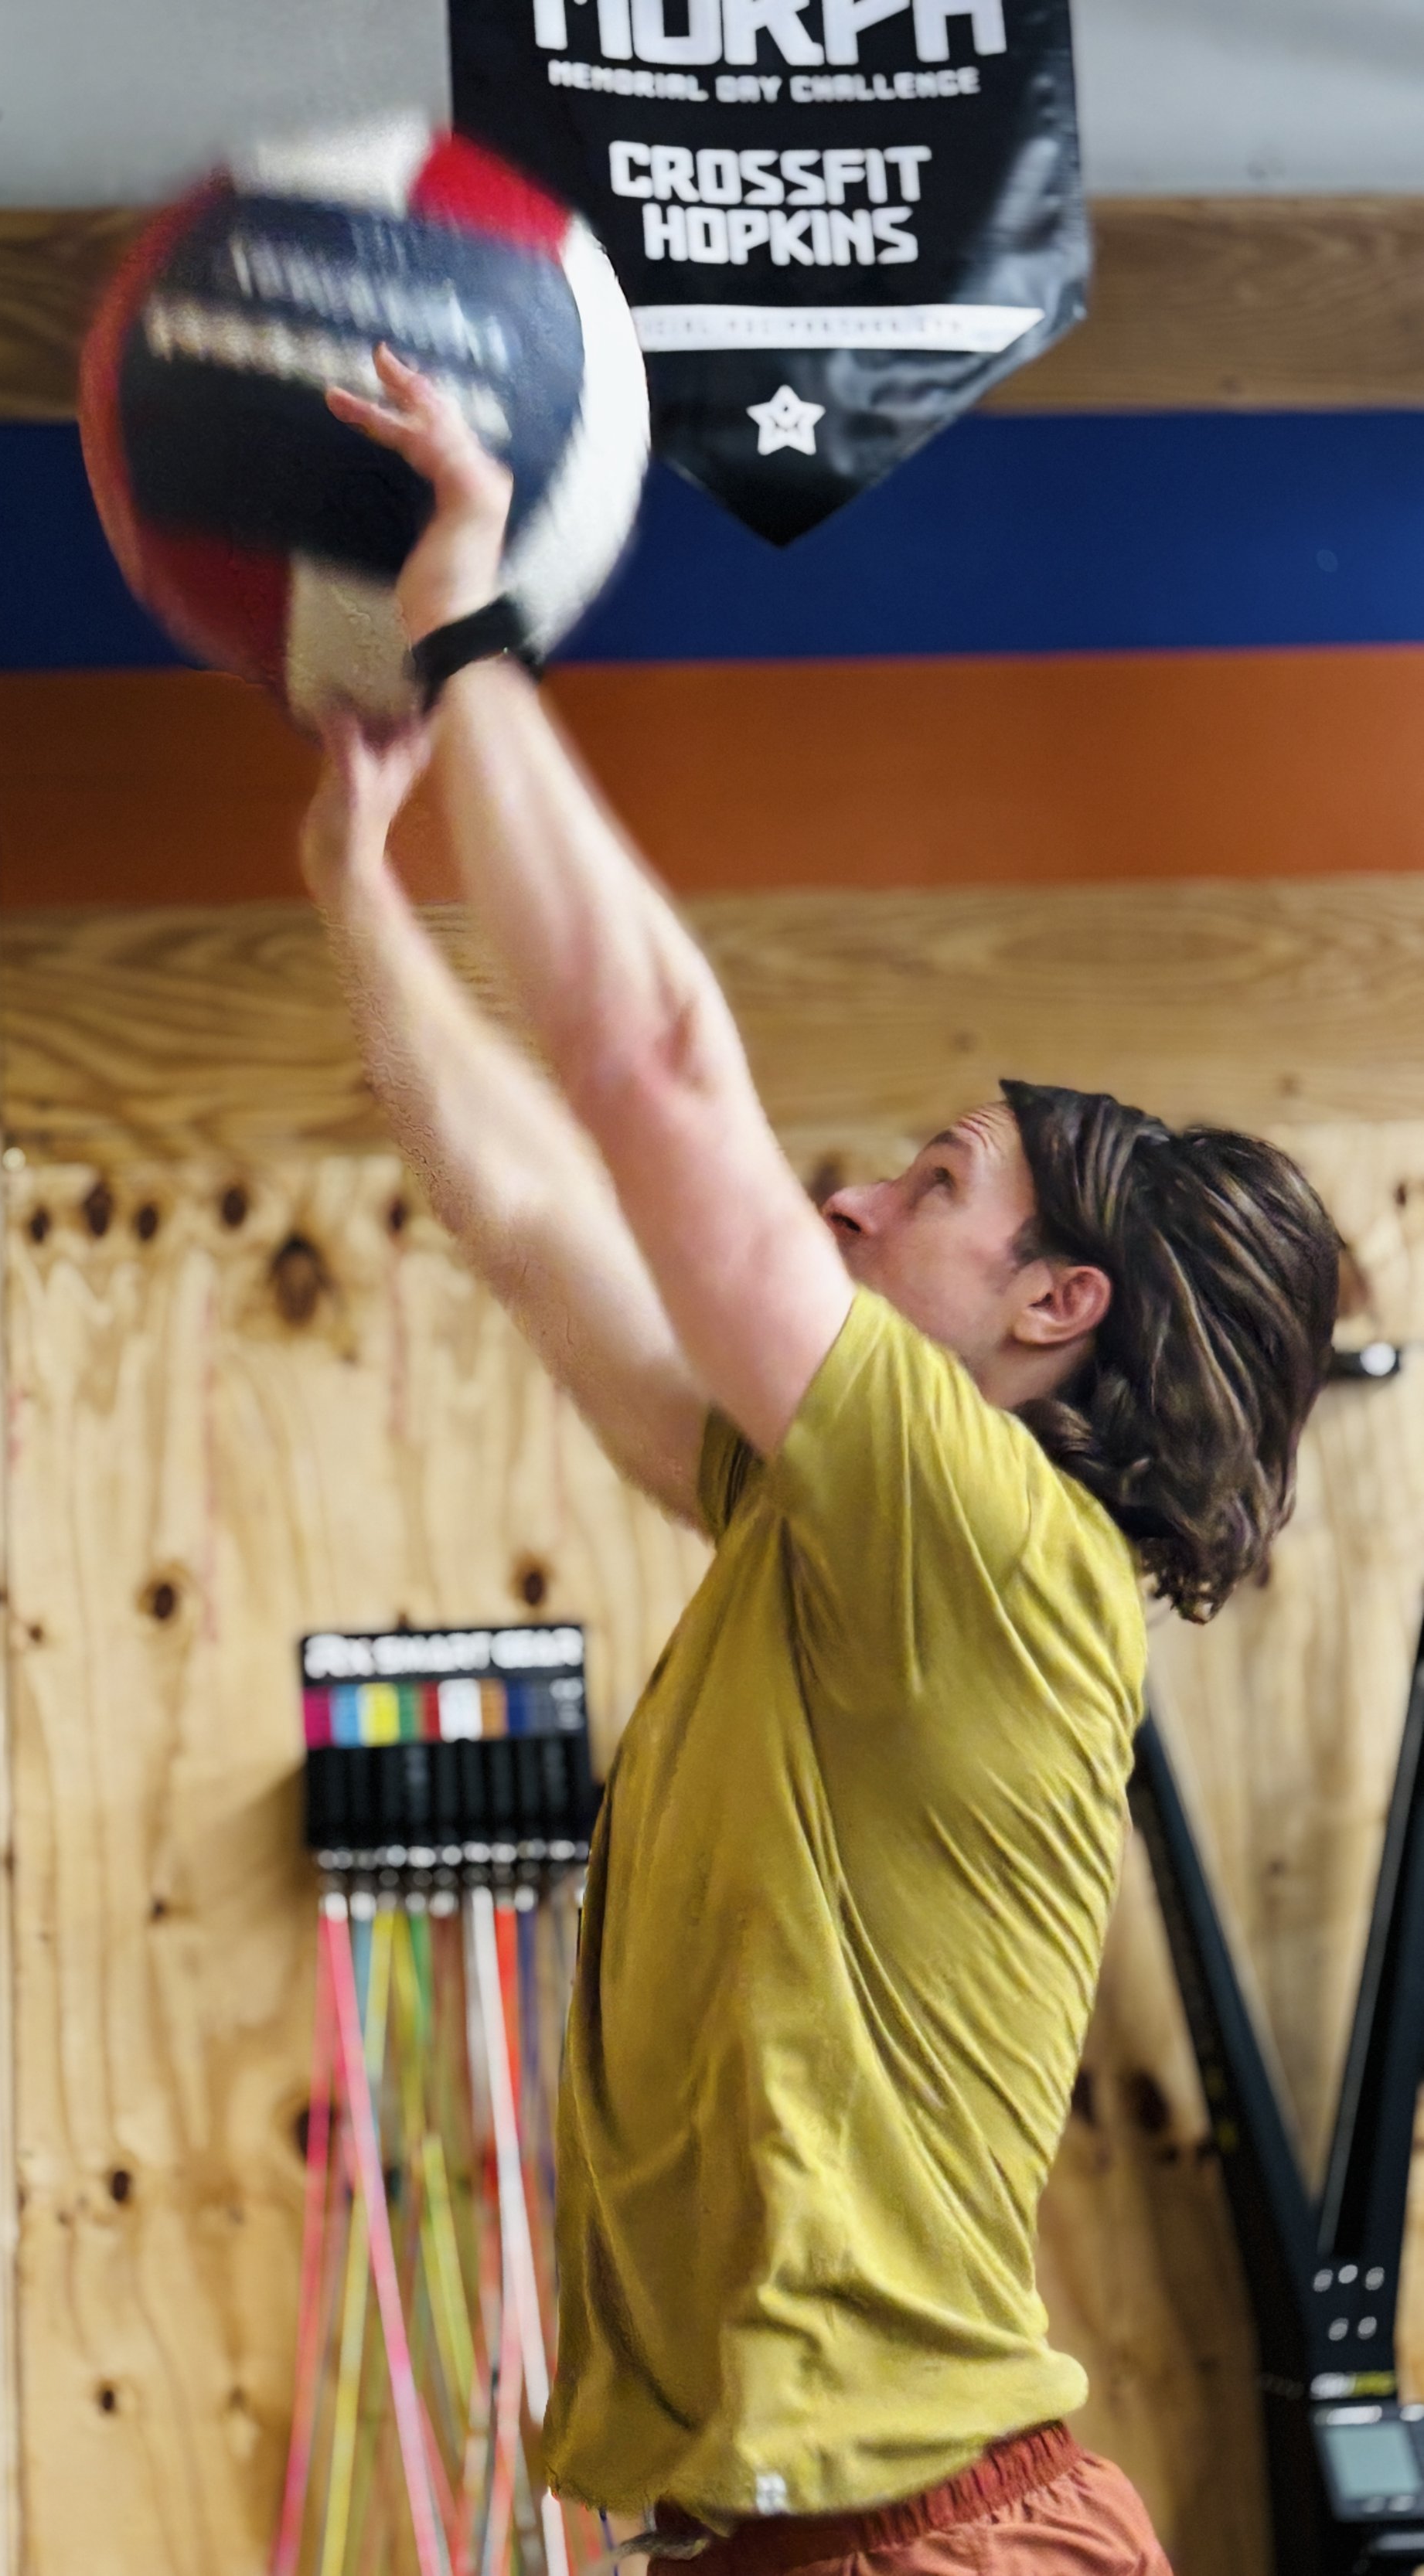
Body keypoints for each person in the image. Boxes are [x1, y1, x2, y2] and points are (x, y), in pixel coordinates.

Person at [300, 346, 1341, 2574]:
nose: (852, 1205)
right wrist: (354, 880)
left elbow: (657, 1067)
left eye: (929, 1183)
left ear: (1051, 1310)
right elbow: (537, 1210)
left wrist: (473, 625)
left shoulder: (1006, 1558)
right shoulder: (836, 1526)